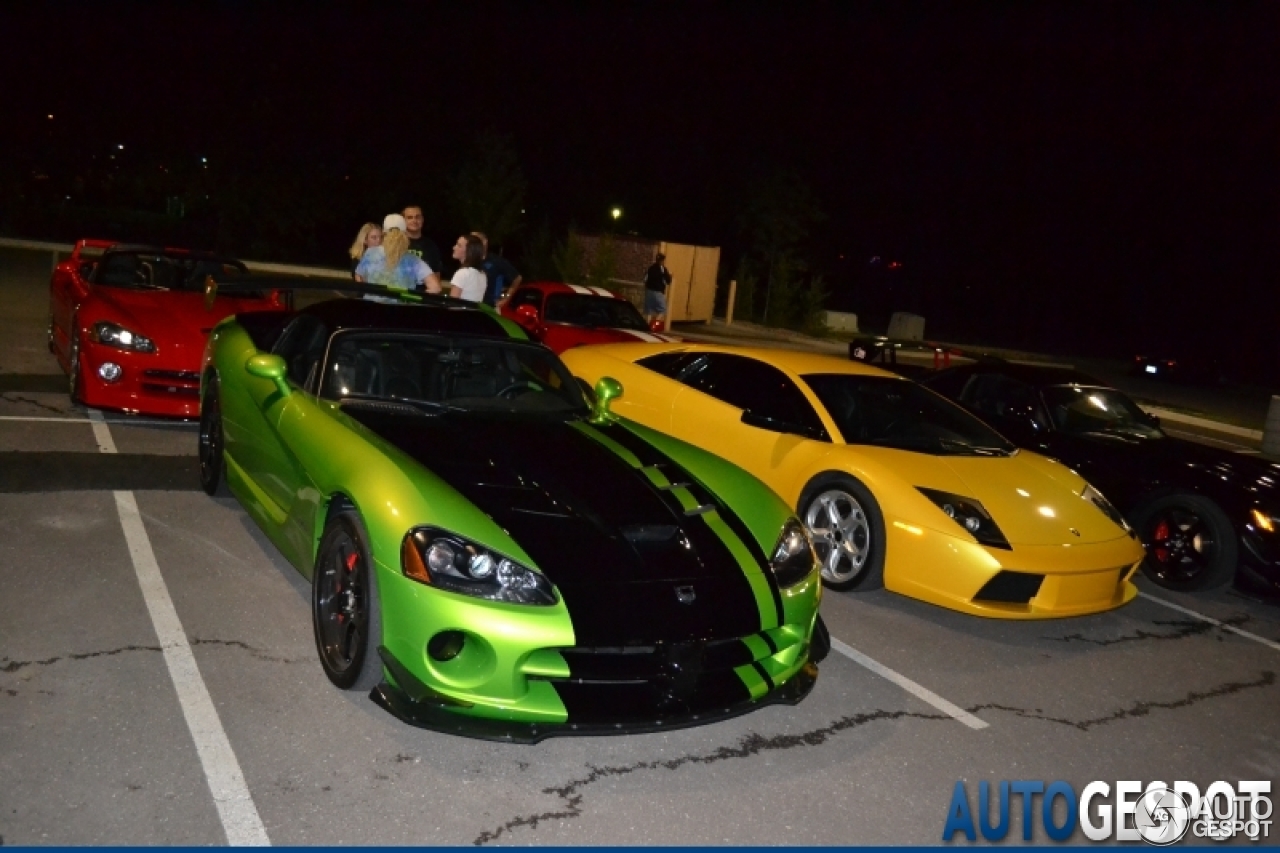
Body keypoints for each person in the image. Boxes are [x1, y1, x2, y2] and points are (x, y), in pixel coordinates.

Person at [354, 214, 437, 301]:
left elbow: (359, 276)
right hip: (400, 311)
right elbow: (435, 288)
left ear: (384, 233)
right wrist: (414, 299)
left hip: (373, 310)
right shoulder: (413, 260)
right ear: (405, 234)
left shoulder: (370, 253)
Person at [471, 231, 522, 307]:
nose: (472, 244)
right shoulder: (470, 261)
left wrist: (505, 299)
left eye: (475, 241)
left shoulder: (496, 261)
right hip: (472, 305)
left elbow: (517, 278)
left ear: (484, 242)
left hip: (490, 308)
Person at [402, 205, 445, 281]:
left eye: (417, 217)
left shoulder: (431, 246)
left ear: (422, 220)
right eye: (409, 217)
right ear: (403, 221)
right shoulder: (397, 244)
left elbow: (436, 275)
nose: (414, 221)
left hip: (422, 292)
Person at [448, 234, 488, 302]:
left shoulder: (462, 273)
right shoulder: (482, 274)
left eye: (459, 245)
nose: (454, 247)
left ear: (469, 251)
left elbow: (452, 303)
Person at [644, 252, 672, 325]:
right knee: (663, 310)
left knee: (649, 311)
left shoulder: (650, 268)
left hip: (649, 291)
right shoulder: (662, 269)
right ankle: (654, 325)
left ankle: (648, 325)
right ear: (662, 260)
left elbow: (645, 279)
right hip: (658, 292)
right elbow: (668, 281)